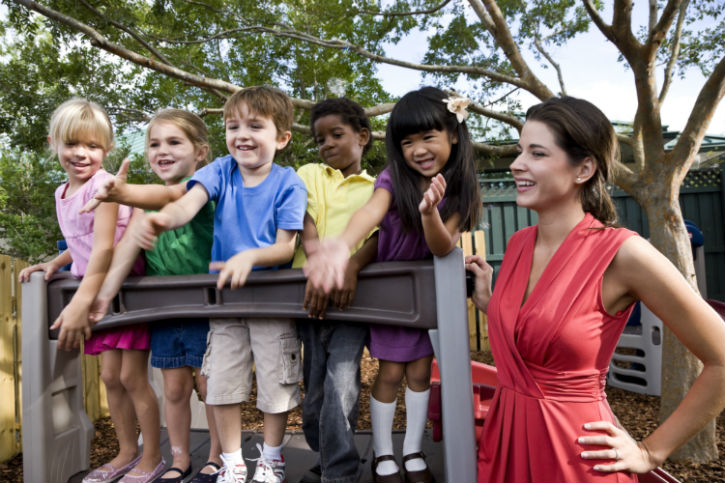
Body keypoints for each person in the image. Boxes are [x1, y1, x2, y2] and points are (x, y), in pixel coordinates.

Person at [465, 96, 725, 482]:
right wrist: (492, 303)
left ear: (584, 168)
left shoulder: (624, 253)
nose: (518, 164)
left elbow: (722, 359)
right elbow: (544, 335)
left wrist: (651, 450)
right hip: (505, 444)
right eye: (520, 151)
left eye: (536, 153)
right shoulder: (519, 244)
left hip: (578, 458)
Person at [305, 87, 482, 483]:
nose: (418, 149)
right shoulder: (392, 178)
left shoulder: (462, 188)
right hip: (391, 298)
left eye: (428, 137)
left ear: (453, 134)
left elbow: (441, 246)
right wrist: (341, 248)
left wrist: (430, 213)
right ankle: (384, 454)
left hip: (425, 297)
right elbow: (371, 213)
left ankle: (413, 451)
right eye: (407, 141)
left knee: (420, 374)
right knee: (389, 373)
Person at [130, 86, 307, 483]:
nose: (241, 134)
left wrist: (248, 257)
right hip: (225, 305)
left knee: (276, 380)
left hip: (269, 301)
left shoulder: (289, 184)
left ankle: (272, 457)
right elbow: (187, 202)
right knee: (221, 384)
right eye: (233, 126)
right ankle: (232, 460)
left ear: (281, 137)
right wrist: (163, 219)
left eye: (254, 126)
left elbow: (285, 248)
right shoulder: (221, 170)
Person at [17, 98, 165, 483]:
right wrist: (55, 262)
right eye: (72, 144)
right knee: (110, 378)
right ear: (54, 143)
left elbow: (104, 247)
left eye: (93, 146)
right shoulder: (61, 192)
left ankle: (152, 457)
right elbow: (81, 240)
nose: (82, 154)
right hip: (95, 286)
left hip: (121, 285)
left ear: (108, 149)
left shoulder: (104, 185)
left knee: (132, 378)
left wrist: (82, 300)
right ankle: (126, 452)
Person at [85, 109, 223, 483]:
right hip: (164, 311)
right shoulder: (144, 202)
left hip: (206, 308)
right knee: (175, 387)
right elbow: (118, 242)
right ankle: (179, 457)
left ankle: (216, 455)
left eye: (174, 142)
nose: (161, 150)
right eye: (154, 144)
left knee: (209, 385)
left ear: (201, 152)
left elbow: (171, 197)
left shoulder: (205, 189)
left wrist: (125, 193)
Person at [292, 97, 379, 483]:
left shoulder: (377, 189)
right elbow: (306, 220)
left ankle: (339, 471)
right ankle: (326, 451)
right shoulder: (310, 173)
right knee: (312, 395)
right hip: (309, 299)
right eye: (319, 138)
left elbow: (377, 237)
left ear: (362, 136)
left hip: (350, 303)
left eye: (336, 134)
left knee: (342, 386)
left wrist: (351, 266)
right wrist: (318, 265)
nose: (326, 144)